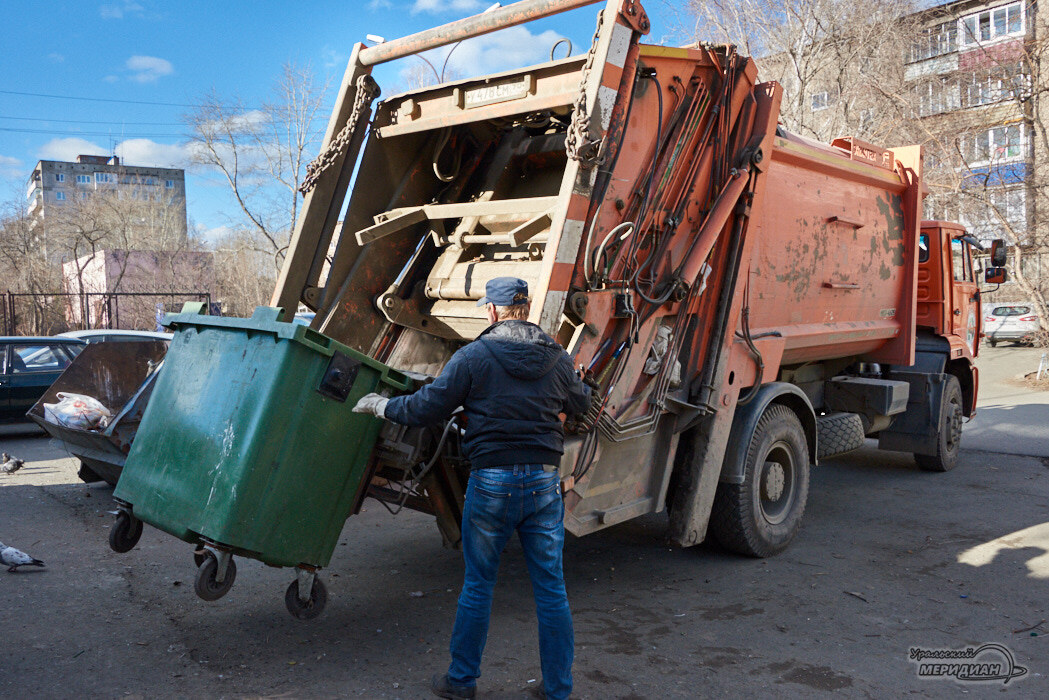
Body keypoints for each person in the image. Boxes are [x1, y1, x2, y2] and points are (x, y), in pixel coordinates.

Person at [353, 277, 590, 700]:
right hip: (541, 481)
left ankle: (462, 681)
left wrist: (382, 405)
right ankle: (558, 689)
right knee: (551, 588)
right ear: (525, 307)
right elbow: (581, 406)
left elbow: (426, 408)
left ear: (494, 311)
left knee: (479, 584)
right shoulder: (557, 358)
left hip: (492, 482)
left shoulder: (474, 356)